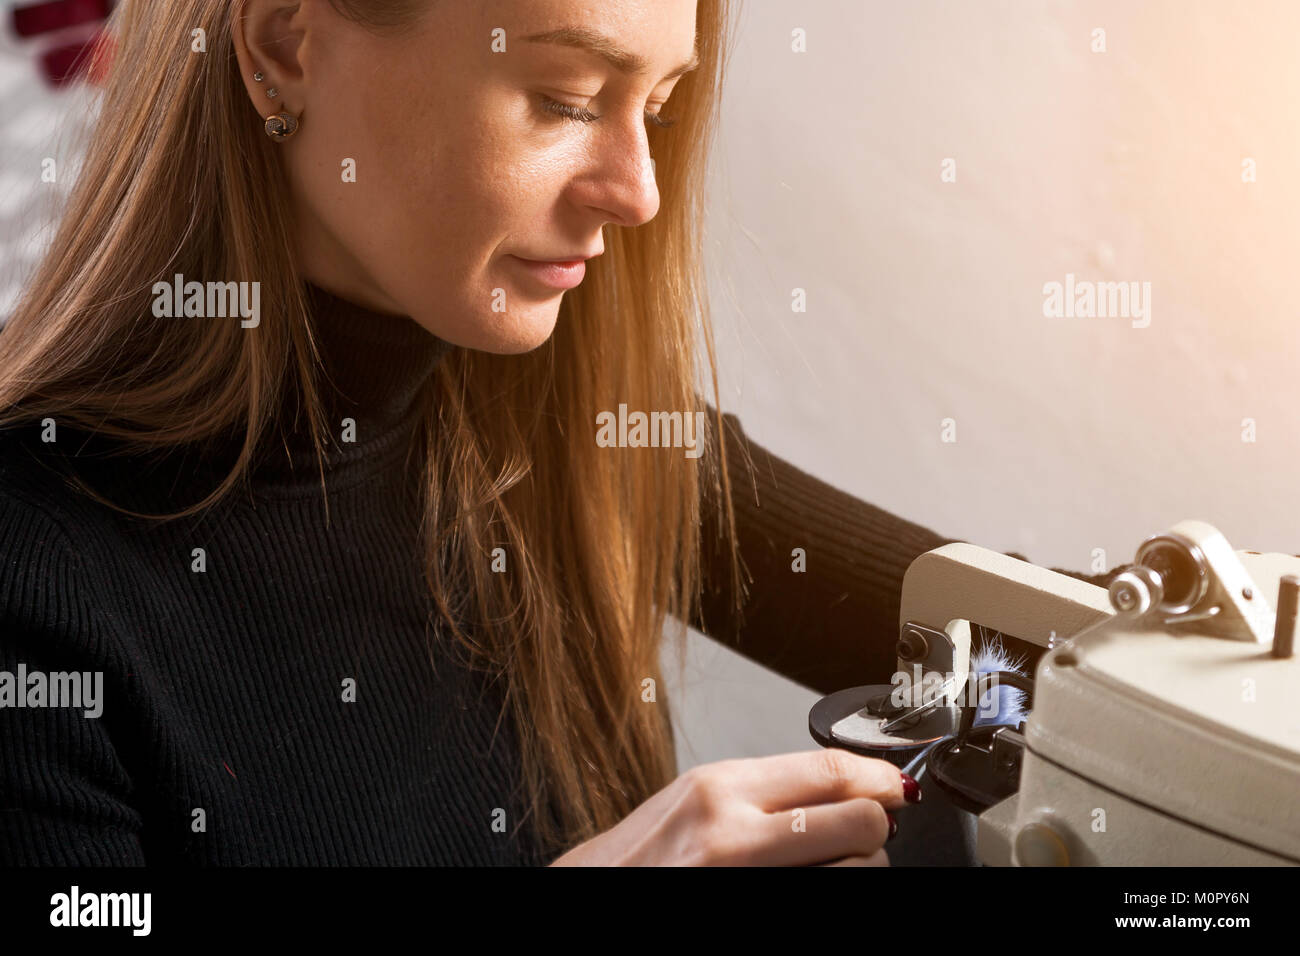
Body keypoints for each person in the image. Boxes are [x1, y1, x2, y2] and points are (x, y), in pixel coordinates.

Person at [0, 0, 1117, 866]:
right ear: (285, 46)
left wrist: (1205, 646)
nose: (636, 191)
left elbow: (1031, 661)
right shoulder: (33, 573)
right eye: (565, 96)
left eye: (660, 106)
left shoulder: (571, 425)